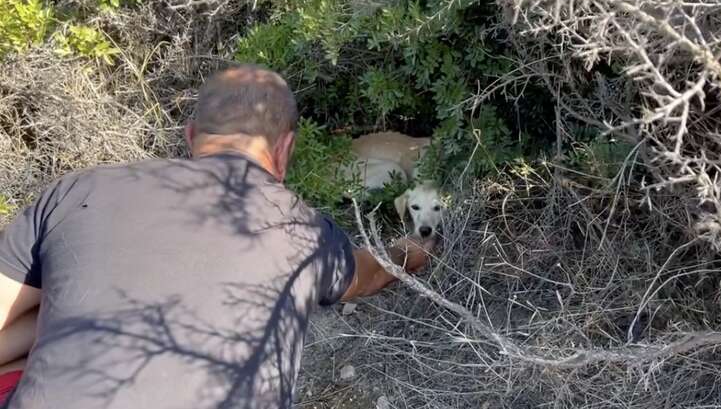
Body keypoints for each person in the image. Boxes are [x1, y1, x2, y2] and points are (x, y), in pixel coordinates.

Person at [0, 65, 432, 408]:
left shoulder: (78, 190)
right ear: (285, 149)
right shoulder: (304, 230)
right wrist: (418, 250)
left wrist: (61, 323)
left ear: (190, 138)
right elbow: (373, 273)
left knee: (54, 308)